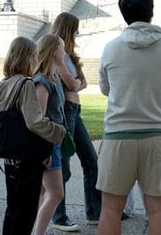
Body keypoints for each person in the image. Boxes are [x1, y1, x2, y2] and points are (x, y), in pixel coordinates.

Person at [97, 0, 161, 235]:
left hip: (118, 136)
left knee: (111, 210)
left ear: (123, 13)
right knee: (159, 210)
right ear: (151, 11)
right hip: (158, 135)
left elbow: (106, 89)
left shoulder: (111, 49)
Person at [0, 36, 66, 235]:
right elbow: (35, 121)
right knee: (26, 211)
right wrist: (59, 131)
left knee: (13, 207)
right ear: (28, 57)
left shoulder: (6, 83)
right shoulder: (26, 84)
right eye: (34, 55)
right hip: (27, 155)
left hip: (11, 154)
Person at [50, 12, 101, 232]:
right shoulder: (54, 50)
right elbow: (71, 85)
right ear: (67, 29)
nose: (78, 33)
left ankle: (95, 213)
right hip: (64, 111)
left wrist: (75, 82)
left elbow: (82, 83)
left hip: (75, 110)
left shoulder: (69, 54)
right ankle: (58, 216)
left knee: (91, 160)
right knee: (64, 166)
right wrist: (75, 83)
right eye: (75, 29)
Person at [33, 34, 66, 235]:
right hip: (48, 144)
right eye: (62, 48)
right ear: (53, 50)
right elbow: (40, 120)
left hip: (55, 142)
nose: (65, 52)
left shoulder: (54, 77)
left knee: (43, 192)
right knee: (56, 194)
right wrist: (43, 151)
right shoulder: (42, 81)